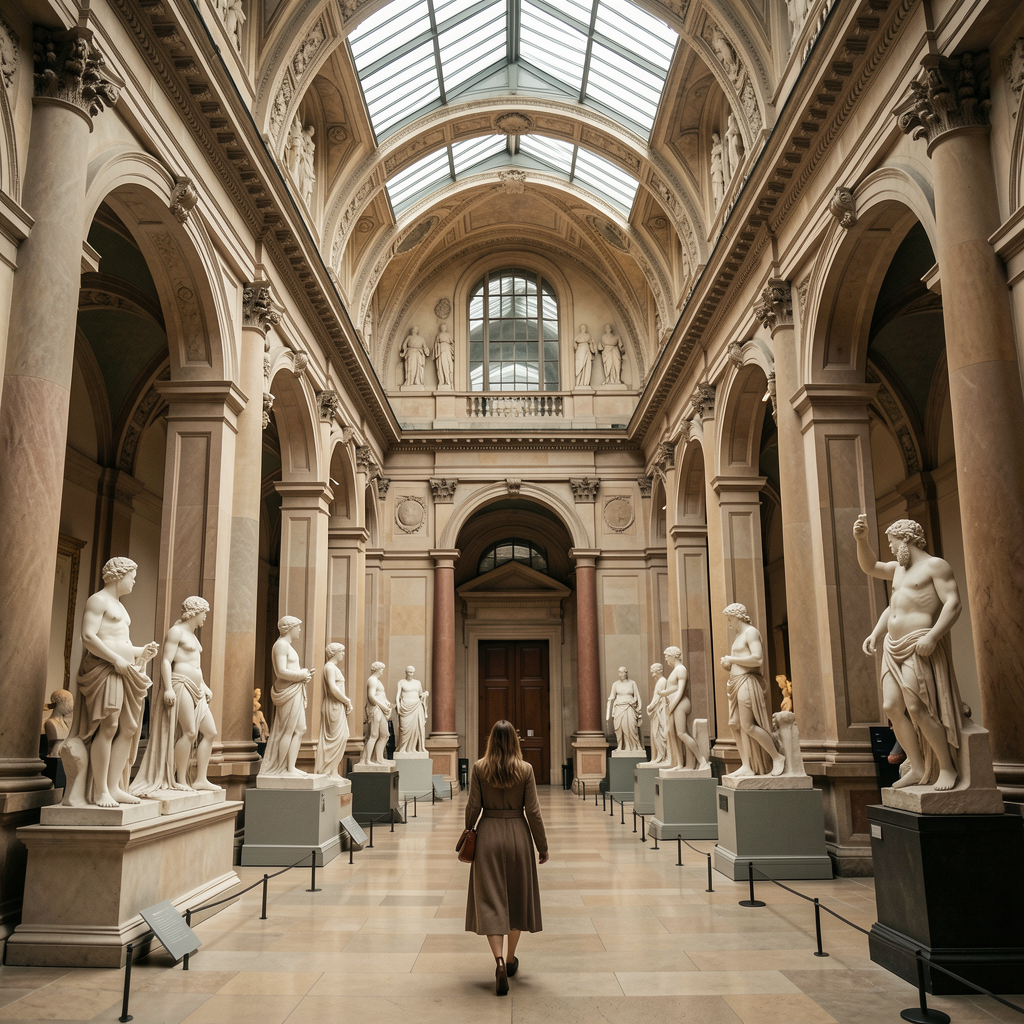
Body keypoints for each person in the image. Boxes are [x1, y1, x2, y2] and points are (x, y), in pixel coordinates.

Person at [854, 514, 963, 791]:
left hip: (917, 644)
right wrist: (861, 540)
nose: (890, 548)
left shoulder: (934, 566)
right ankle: (917, 767)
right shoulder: (900, 570)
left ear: (905, 538)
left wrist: (933, 635)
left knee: (917, 707)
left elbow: (953, 603)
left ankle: (947, 767)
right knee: (891, 707)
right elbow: (872, 570)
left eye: (891, 542)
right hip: (893, 645)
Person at [64, 557, 159, 808]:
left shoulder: (119, 606)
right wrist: (116, 658)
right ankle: (100, 790)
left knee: (128, 727)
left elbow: (120, 641)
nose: (134, 581)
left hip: (124, 671)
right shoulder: (98, 600)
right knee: (108, 726)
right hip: (105, 669)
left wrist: (141, 651)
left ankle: (115, 786)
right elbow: (88, 636)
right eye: (132, 577)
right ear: (119, 575)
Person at [465, 720, 548, 996]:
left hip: (488, 834)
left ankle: (498, 960)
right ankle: (511, 959)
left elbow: (473, 806)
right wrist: (542, 845)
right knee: (515, 898)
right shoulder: (525, 769)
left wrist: (469, 830)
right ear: (515, 740)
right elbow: (533, 811)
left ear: (491, 741)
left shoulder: (479, 768)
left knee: (491, 900)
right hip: (517, 836)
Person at [132, 596, 220, 795]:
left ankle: (200, 779)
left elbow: (195, 665)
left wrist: (204, 685)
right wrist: (168, 688)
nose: (205, 617)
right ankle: (180, 779)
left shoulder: (194, 636)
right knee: (189, 732)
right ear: (195, 612)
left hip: (197, 688)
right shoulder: (176, 631)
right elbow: (165, 661)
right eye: (204, 613)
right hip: (181, 684)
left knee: (210, 732)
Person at [721, 603, 785, 778]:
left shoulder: (751, 632)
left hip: (747, 682)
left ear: (737, 616)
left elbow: (757, 659)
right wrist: (729, 665)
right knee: (735, 724)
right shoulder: (738, 635)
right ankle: (747, 765)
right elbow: (742, 660)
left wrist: (731, 658)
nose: (728, 622)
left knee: (748, 725)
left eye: (729, 618)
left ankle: (777, 757)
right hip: (735, 683)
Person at [259, 615, 314, 777]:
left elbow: (290, 670)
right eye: (297, 627)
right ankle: (281, 769)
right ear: (289, 628)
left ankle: (290, 767)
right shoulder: (281, 645)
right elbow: (281, 672)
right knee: (287, 731)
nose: (299, 630)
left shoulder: (287, 646)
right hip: (287, 692)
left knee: (300, 728)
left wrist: (304, 674)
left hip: (294, 689)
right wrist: (301, 675)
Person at [315, 643, 353, 779]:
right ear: (334, 653)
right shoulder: (329, 667)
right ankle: (326, 771)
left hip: (338, 705)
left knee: (341, 738)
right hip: (333, 705)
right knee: (334, 739)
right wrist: (346, 700)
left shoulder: (334, 667)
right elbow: (333, 688)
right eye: (341, 651)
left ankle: (333, 771)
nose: (343, 654)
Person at [605, 667, 643, 752]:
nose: (622, 674)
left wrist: (639, 711)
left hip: (630, 707)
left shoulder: (632, 683)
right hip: (619, 707)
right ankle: (620, 746)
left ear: (626, 673)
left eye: (623, 672)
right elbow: (612, 695)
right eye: (620, 672)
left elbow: (637, 697)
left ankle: (635, 746)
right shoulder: (615, 684)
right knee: (619, 728)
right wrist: (609, 700)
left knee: (631, 727)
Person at [392, 665, 428, 752]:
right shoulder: (401, 682)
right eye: (409, 672)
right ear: (406, 672)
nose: (411, 674)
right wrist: (398, 706)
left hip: (416, 706)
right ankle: (403, 748)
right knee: (404, 729)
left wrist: (425, 693)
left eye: (412, 672)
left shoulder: (417, 683)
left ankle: (412, 749)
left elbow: (420, 694)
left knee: (416, 729)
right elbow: (398, 695)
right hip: (405, 707)